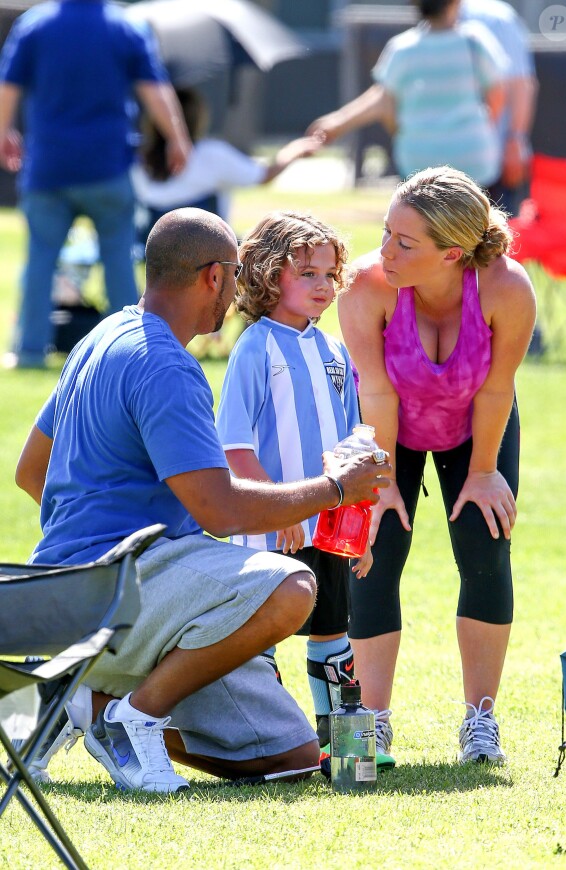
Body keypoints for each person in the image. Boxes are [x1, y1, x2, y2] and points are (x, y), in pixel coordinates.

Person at [14, 207, 390, 793]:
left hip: (77, 590)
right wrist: (338, 490)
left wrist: (93, 529)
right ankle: (132, 715)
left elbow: (29, 470)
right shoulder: (168, 364)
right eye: (236, 275)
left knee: (291, 757)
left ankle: (87, 701)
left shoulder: (100, 336)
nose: (238, 291)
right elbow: (222, 510)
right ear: (214, 276)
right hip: (120, 587)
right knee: (294, 587)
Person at [338, 166, 536, 765]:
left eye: (405, 242)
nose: (385, 251)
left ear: (453, 253)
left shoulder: (508, 288)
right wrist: (383, 482)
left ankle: (481, 722)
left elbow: (497, 390)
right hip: (385, 424)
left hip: (474, 423)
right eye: (385, 233)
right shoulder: (366, 289)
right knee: (375, 548)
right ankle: (368, 726)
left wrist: (482, 471)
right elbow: (375, 391)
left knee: (483, 545)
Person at [215, 211, 390, 763]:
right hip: (271, 529)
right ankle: (269, 745)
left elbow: (350, 452)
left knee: (333, 633)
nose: (323, 285)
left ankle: (346, 752)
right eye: (307, 273)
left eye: (329, 274)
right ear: (269, 275)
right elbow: (234, 447)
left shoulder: (334, 351)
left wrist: (361, 522)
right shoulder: (253, 349)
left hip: (330, 527)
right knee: (260, 639)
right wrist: (277, 508)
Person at [0, 0, 191, 370]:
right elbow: (154, 88)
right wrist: (177, 137)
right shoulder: (125, 26)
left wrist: (4, 130)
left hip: (48, 167)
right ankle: (128, 350)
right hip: (107, 167)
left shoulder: (35, 25)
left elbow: (8, 86)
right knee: (119, 258)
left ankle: (29, 352)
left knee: (41, 259)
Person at [306, 0, 507, 191]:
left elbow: (383, 100)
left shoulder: (403, 47)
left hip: (418, 161)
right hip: (473, 160)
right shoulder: (474, 41)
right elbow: (497, 95)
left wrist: (338, 122)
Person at [131, 87, 322, 246]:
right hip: (207, 245)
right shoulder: (212, 154)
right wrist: (293, 150)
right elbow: (264, 176)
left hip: (151, 245)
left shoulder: (137, 155)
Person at [459, 0, 538, 215]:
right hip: (452, 156)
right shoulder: (432, 15)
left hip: (494, 157)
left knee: (497, 239)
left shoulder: (494, 17)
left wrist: (514, 141)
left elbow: (520, 82)